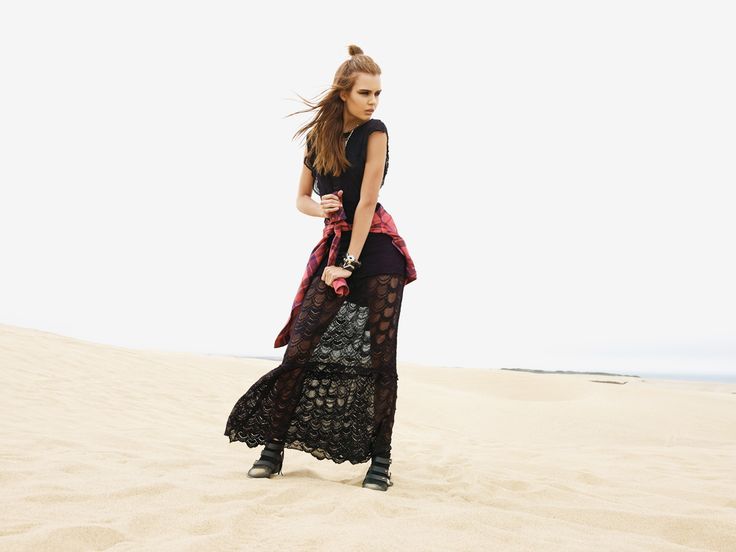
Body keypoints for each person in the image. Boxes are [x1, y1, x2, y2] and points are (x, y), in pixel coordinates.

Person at [223, 44, 417, 492]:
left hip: (377, 252)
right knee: (299, 351)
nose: (373, 101)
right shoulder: (318, 139)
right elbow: (301, 199)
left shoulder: (376, 132)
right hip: (333, 250)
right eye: (365, 93)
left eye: (378, 93)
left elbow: (367, 202)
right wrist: (321, 207)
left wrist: (348, 264)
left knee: (381, 360)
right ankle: (273, 449)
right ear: (343, 92)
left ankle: (380, 462)